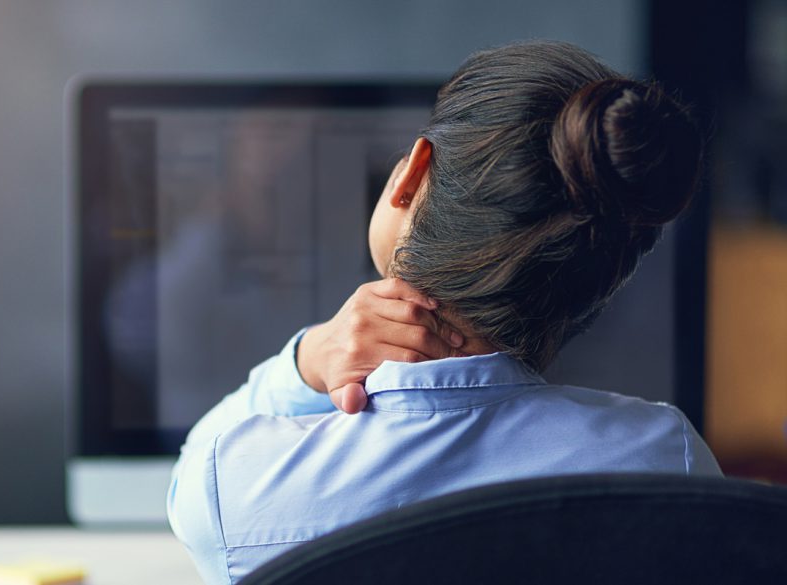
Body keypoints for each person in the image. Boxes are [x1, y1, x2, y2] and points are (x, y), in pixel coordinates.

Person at [167, 40, 723, 585]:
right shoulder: (667, 461)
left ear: (412, 174)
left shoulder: (237, 490)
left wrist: (306, 360)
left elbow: (194, 464)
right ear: (601, 280)